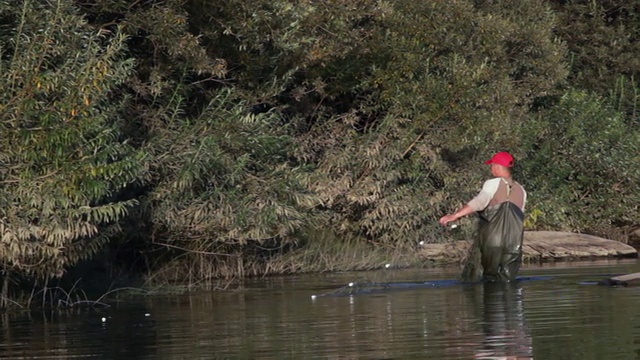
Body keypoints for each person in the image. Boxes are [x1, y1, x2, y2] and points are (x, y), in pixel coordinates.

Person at [439, 151, 527, 282]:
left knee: (487, 281)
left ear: (497, 167)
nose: (491, 168)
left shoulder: (493, 183)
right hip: (513, 247)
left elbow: (480, 202)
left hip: (491, 244)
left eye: (492, 166)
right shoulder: (522, 190)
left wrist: (455, 215)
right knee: (507, 282)